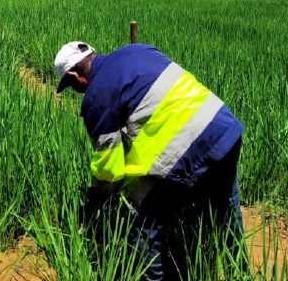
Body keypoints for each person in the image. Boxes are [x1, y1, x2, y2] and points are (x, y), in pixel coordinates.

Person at [54, 41, 246, 280]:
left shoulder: (96, 97)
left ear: (75, 75)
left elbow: (109, 170)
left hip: (185, 149)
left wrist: (96, 203)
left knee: (142, 225)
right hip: (223, 128)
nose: (76, 91)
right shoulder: (138, 50)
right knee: (225, 208)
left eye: (71, 86)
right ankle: (240, 273)